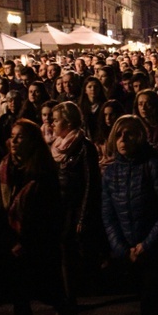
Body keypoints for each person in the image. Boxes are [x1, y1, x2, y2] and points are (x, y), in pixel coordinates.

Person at [101, 115, 158, 315]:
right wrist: (123, 249)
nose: (123, 139)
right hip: (130, 250)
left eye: (129, 134)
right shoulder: (111, 173)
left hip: (153, 248)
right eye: (119, 134)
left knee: (150, 304)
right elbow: (108, 214)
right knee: (147, 304)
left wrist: (147, 244)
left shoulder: (152, 165)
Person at [0, 119, 71, 315]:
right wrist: (10, 241)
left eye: (20, 136)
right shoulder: (4, 169)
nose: (14, 141)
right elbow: (0, 208)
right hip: (12, 240)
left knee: (47, 288)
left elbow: (49, 214)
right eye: (13, 136)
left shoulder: (43, 172)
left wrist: (26, 242)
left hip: (38, 243)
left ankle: (62, 308)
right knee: (19, 295)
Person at [50, 101, 104, 302]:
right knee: (64, 249)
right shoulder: (56, 147)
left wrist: (83, 216)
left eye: (56, 120)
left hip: (76, 206)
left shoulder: (83, 147)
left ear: (69, 122)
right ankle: (70, 292)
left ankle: (82, 289)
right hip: (61, 206)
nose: (52, 124)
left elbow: (90, 182)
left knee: (78, 248)